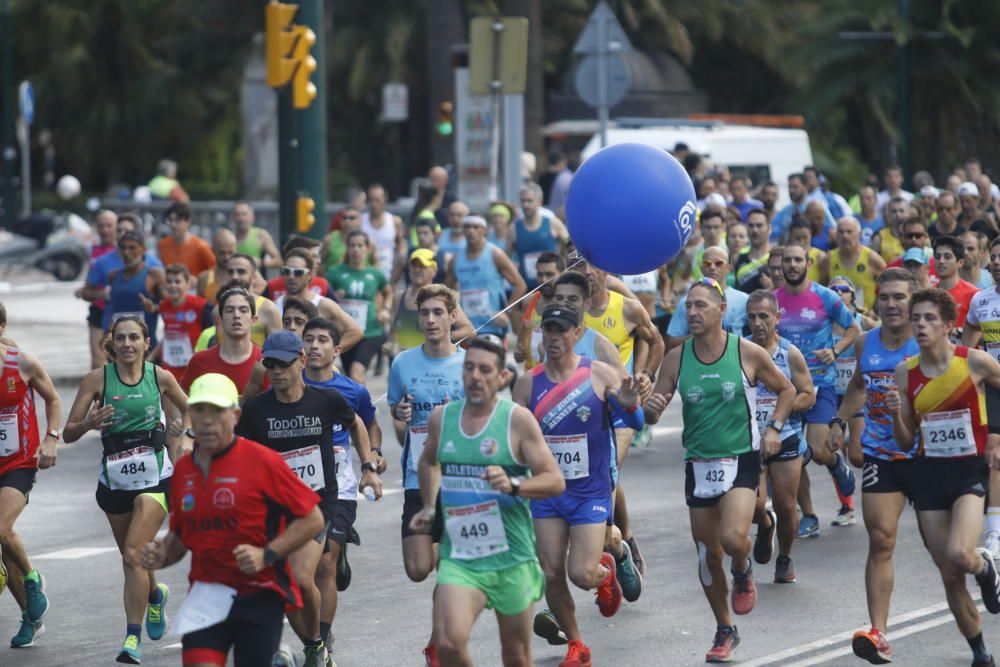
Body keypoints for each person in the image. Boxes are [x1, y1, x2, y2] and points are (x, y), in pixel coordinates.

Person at [644, 278, 795, 663]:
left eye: (700, 306)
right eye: (688, 306)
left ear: (721, 310)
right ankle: (724, 629)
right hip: (698, 463)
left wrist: (774, 428)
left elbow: (787, 390)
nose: (691, 313)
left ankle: (743, 568)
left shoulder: (745, 352)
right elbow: (652, 411)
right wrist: (643, 404)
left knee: (731, 538)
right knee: (706, 555)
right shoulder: (677, 359)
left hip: (741, 458)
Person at [137, 373, 325, 667]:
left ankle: (282, 657)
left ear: (235, 415)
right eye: (199, 410)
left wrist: (267, 554)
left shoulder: (263, 461)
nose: (207, 420)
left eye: (217, 411)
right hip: (207, 594)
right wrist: (160, 554)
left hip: (260, 594)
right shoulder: (184, 470)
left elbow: (313, 519)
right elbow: (181, 537)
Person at [408, 337, 565, 667]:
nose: (475, 376)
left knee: (516, 655)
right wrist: (428, 506)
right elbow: (427, 461)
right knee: (449, 644)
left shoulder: (517, 421)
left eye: (484, 369)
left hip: (512, 557)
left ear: (502, 378)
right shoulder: (442, 418)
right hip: (461, 557)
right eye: (469, 368)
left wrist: (513, 484)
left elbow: (554, 480)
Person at [237, 330, 379, 667]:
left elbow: (357, 424)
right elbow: (238, 454)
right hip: (275, 510)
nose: (275, 370)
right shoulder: (257, 410)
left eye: (282, 363)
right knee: (285, 588)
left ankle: (317, 644)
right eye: (269, 363)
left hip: (318, 505)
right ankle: (315, 645)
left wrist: (369, 466)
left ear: (301, 361)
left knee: (303, 577)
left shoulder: (325, 401)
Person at [513, 306, 645, 665]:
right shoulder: (528, 383)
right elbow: (513, 438)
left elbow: (635, 418)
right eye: (547, 330)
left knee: (581, 573)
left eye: (561, 330)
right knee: (552, 571)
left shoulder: (598, 373)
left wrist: (631, 407)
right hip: (549, 493)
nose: (553, 337)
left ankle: (604, 574)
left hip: (590, 492)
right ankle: (576, 644)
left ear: (577, 332)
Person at [63, 316, 190, 664]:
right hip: (115, 477)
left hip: (154, 476)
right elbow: (68, 432)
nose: (128, 344)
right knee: (131, 556)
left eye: (135, 337)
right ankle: (154, 596)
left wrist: (183, 438)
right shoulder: (97, 380)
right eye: (121, 338)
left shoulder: (159, 376)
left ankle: (131, 638)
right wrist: (88, 423)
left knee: (134, 552)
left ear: (146, 342)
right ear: (112, 343)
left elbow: (188, 406)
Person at [887, 288, 1000, 667]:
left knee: (960, 554)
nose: (920, 324)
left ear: (949, 325)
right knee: (949, 573)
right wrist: (895, 415)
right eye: (915, 318)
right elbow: (905, 439)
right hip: (928, 475)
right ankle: (979, 651)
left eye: (929, 318)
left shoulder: (975, 362)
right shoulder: (906, 372)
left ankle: (986, 568)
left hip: (968, 470)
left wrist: (996, 433)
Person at [824, 268, 920, 663]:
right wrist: (840, 421)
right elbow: (859, 386)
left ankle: (980, 581)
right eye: (886, 297)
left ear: (914, 302)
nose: (892, 304)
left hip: (928, 455)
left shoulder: (926, 343)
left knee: (950, 556)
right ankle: (878, 632)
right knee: (881, 539)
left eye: (900, 297)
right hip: (883, 452)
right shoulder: (866, 344)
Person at [387, 284, 466, 665]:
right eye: (425, 313)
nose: (431, 320)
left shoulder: (469, 365)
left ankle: (438, 645)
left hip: (459, 482)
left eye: (438, 312)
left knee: (448, 572)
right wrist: (400, 419)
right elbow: (401, 429)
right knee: (419, 569)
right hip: (418, 480)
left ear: (453, 316)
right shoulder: (402, 364)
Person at [300, 318, 386, 655]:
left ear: (337, 350)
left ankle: (321, 638)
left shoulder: (353, 390)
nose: (315, 346)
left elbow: (369, 425)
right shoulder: (290, 387)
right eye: (309, 339)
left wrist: (372, 459)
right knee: (301, 571)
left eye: (323, 340)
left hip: (340, 489)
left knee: (325, 564)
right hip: (300, 490)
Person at [577, 255, 663, 575]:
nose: (587, 271)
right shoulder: (568, 315)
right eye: (579, 265)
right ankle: (624, 537)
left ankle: (606, 548)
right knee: (609, 473)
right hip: (584, 411)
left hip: (620, 410)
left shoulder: (626, 307)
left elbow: (655, 341)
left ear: (605, 268)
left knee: (608, 474)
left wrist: (645, 376)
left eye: (593, 264)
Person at [775, 243, 860, 535]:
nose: (793, 265)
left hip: (821, 383)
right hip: (786, 389)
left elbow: (853, 329)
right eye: (788, 260)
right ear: (782, 265)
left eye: (799, 260)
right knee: (794, 457)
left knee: (818, 451)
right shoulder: (774, 301)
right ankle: (809, 516)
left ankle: (836, 464)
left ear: (807, 264)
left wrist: (835, 351)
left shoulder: (825, 297)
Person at [0, 304, 61, 649]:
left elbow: (53, 398)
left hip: (18, 462)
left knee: (1, 529)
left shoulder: (22, 362)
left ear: (2, 326)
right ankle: (31, 616)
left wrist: (51, 438)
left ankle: (34, 579)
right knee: (4, 546)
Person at [745, 290, 814, 585]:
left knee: (786, 506)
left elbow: (808, 395)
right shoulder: (741, 350)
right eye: (752, 317)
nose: (758, 322)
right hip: (750, 440)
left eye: (764, 316)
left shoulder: (790, 353)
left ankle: (785, 556)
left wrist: (779, 414)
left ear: (777, 317)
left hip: (785, 437)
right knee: (754, 506)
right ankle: (764, 523)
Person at [963, 236, 1000, 559]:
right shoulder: (981, 301)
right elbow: (968, 339)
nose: (998, 263)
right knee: (995, 455)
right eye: (996, 258)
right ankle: (996, 535)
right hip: (995, 384)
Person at [445, 215, 527, 341]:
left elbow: (520, 285)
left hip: (493, 327)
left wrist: (507, 312)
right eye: (467, 227)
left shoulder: (495, 254)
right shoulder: (456, 259)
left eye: (475, 227)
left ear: (484, 230)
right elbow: (444, 291)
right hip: (467, 328)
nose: (471, 231)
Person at [327, 230, 393, 383]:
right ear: (347, 248)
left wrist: (385, 310)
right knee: (350, 377)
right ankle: (357, 405)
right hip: (345, 332)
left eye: (360, 245)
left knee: (356, 373)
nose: (356, 249)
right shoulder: (335, 272)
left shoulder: (375, 274)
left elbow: (388, 293)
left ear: (367, 248)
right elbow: (325, 298)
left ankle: (365, 407)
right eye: (352, 246)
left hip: (370, 332)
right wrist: (336, 296)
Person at [273, 249, 365, 353]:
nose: (291, 277)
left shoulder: (323, 304)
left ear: (310, 274)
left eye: (298, 272)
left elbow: (355, 331)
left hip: (314, 368)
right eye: (287, 271)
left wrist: (328, 354)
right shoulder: (273, 306)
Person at [388, 249, 476, 354]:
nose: (417, 270)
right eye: (414, 265)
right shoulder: (399, 297)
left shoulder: (444, 297)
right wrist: (391, 343)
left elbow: (470, 331)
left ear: (434, 270)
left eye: (422, 266)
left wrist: (442, 336)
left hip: (433, 361)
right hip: (404, 364)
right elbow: (393, 331)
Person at [182, 287, 267, 395]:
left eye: (243, 310)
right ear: (219, 320)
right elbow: (180, 398)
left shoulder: (267, 362)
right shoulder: (199, 361)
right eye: (230, 310)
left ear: (253, 320)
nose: (236, 315)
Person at [669, 247, 749, 346]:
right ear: (701, 268)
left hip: (734, 358)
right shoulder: (688, 302)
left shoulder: (744, 300)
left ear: (728, 268)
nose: (712, 267)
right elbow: (672, 343)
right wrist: (702, 335)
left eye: (718, 263)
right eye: (707, 263)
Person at [104, 231, 167, 347]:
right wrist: (107, 332)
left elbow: (172, 306)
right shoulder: (113, 276)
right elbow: (112, 309)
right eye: (123, 248)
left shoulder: (154, 274)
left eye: (132, 248)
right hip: (120, 347)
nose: (127, 252)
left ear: (143, 249)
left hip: (146, 348)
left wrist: (154, 308)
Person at [508, 183, 569, 289]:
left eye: (529, 201)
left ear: (539, 202)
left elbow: (571, 246)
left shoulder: (552, 223)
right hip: (527, 289)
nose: (525, 205)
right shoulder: (513, 228)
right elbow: (506, 260)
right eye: (523, 201)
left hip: (553, 287)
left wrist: (565, 265)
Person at [77, 208, 118, 368]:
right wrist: (85, 291)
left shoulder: (124, 250)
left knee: (117, 357)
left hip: (118, 310)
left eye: (109, 225)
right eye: (101, 226)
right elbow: (90, 280)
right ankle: (99, 392)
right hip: (98, 309)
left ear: (116, 226)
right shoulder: (92, 248)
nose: (105, 230)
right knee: (97, 359)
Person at [822, 217, 886, 311]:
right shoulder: (828, 259)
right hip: (838, 316)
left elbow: (885, 288)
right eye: (841, 232)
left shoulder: (872, 258)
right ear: (836, 235)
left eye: (849, 232)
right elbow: (823, 288)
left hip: (866, 317)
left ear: (859, 234)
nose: (845, 236)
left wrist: (874, 311)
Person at [516, 252, 564, 370]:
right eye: (540, 274)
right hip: (531, 378)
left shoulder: (567, 305)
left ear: (562, 275)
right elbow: (518, 356)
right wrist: (519, 352)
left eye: (549, 275)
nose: (543, 280)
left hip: (557, 378)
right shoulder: (529, 301)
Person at [933, 235, 979, 339]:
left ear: (960, 263)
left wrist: (958, 331)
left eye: (947, 257)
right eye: (937, 256)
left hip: (965, 354)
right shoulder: (928, 295)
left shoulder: (974, 295)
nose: (941, 261)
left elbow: (988, 334)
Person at [771, 173, 836, 244]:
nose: (791, 190)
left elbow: (832, 229)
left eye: (795, 187)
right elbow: (782, 236)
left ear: (805, 186)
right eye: (789, 187)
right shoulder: (785, 211)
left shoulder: (816, 207)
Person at [157, 202, 215, 278]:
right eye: (170, 220)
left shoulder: (201, 246)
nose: (172, 225)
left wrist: (198, 281)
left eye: (177, 220)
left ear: (188, 221)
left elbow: (215, 271)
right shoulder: (162, 245)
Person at [232, 201, 282, 271]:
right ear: (233, 217)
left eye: (244, 214)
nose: (241, 218)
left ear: (252, 217)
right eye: (237, 214)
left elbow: (279, 261)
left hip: (256, 280)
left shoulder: (261, 235)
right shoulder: (229, 238)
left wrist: (261, 263)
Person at [733, 209, 773, 293]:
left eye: (759, 225)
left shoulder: (777, 257)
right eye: (751, 226)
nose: (755, 230)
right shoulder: (737, 257)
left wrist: (773, 286)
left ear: (769, 228)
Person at [196, 228, 238, 304]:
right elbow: (199, 309)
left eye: (230, 252)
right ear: (213, 250)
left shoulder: (244, 275)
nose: (227, 257)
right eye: (222, 253)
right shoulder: (204, 278)